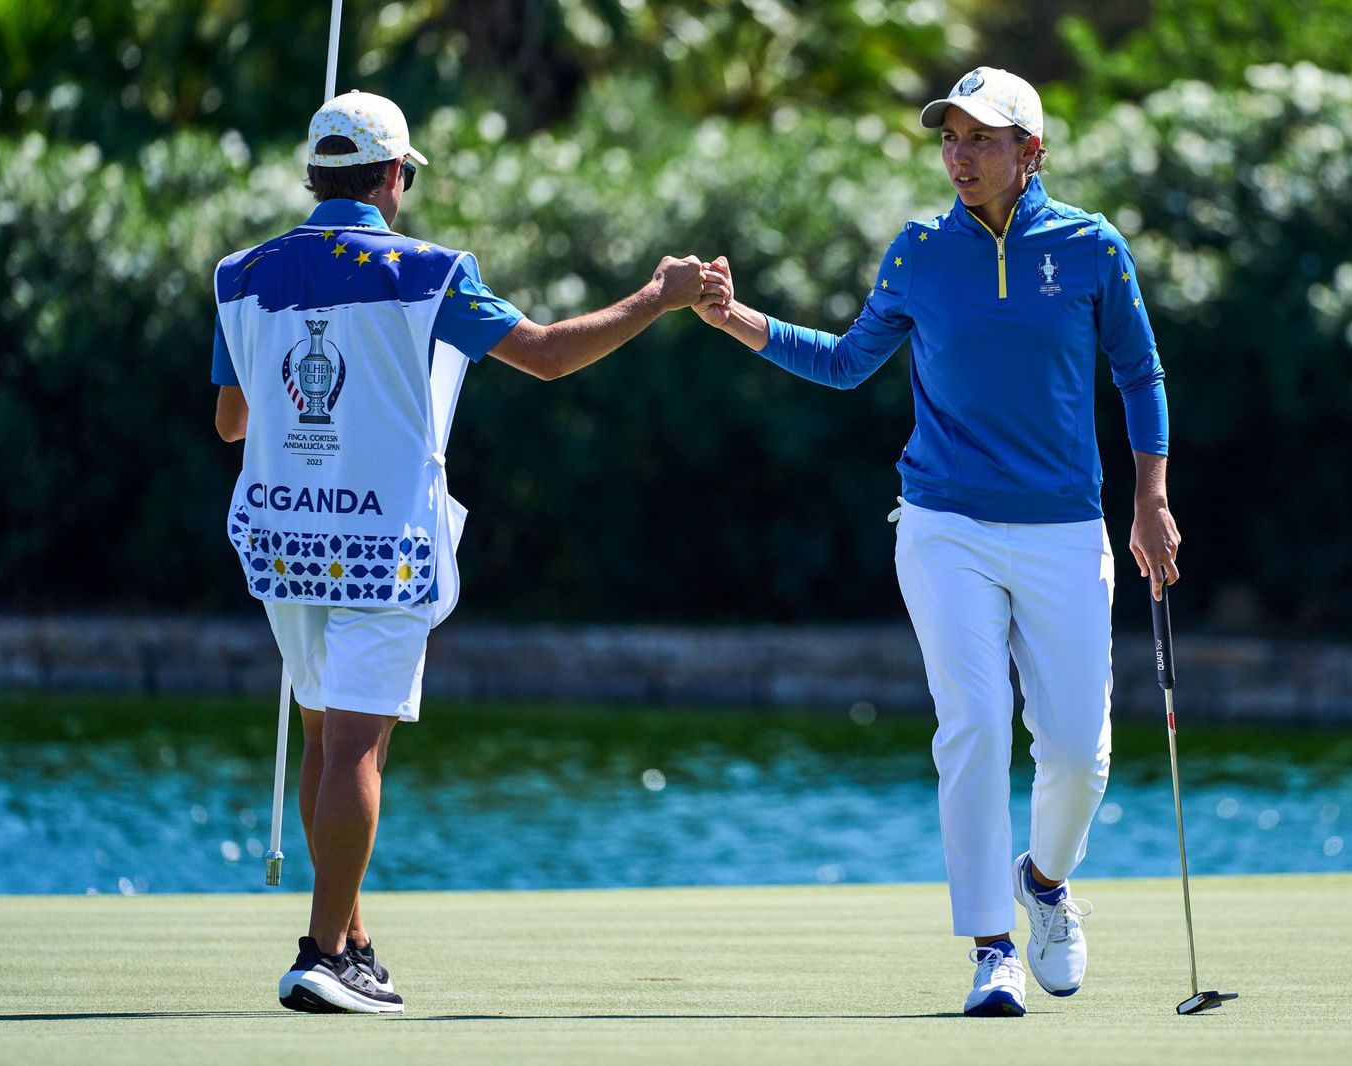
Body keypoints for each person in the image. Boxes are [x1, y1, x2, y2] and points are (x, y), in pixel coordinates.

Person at [211, 90, 723, 1014]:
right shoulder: (431, 272)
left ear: (314, 176)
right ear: (394, 176)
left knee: (327, 740)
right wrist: (663, 294)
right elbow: (547, 356)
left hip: (281, 542)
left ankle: (353, 939)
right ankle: (322, 955)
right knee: (358, 745)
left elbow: (230, 419)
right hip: (381, 543)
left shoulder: (239, 275)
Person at [695, 67, 1179, 1017]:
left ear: (1030, 153)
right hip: (943, 523)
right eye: (950, 139)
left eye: (981, 139)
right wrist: (734, 319)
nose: (959, 156)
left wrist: (1150, 499)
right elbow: (844, 363)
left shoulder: (1090, 248)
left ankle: (1043, 883)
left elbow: (1141, 371)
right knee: (975, 726)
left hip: (1064, 525)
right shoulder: (917, 252)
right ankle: (991, 947)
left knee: (1080, 753)